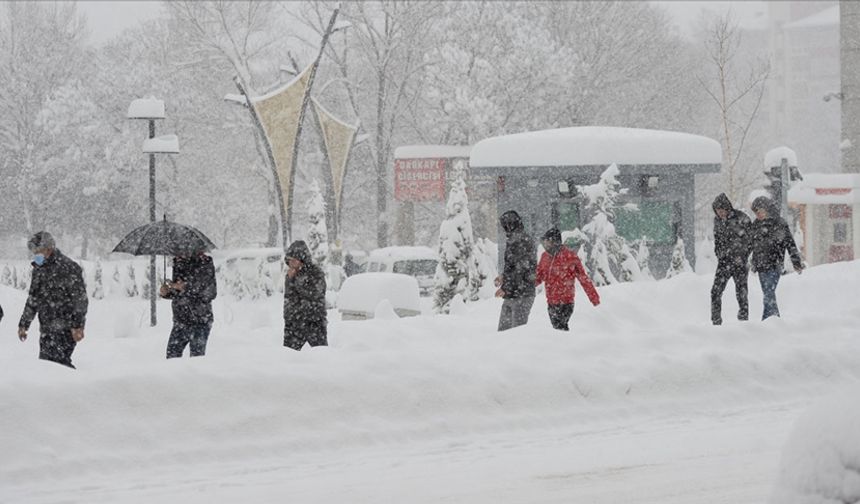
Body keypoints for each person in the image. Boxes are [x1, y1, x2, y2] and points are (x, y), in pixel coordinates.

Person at [17, 231, 88, 368]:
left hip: (66, 328)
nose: (36, 254)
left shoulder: (69, 268)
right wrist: (24, 324)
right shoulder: (39, 269)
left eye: (38, 251)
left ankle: (79, 388)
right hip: (46, 328)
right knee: (47, 366)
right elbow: (33, 298)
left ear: (49, 249)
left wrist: (77, 325)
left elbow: (80, 300)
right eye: (34, 251)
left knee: (59, 365)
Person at [749, 196, 804, 320]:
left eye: (760, 212)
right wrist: (752, 262)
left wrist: (796, 262)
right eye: (756, 213)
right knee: (768, 294)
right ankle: (773, 320)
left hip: (775, 264)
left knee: (768, 293)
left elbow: (790, 244)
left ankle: (769, 321)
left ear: (767, 209)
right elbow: (752, 246)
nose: (758, 215)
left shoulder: (780, 223)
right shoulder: (756, 225)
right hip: (761, 266)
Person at [535, 228, 600, 331]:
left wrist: (594, 298)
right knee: (557, 330)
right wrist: (525, 287)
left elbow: (583, 278)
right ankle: (567, 344)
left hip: (566, 302)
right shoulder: (545, 257)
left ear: (555, 242)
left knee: (560, 328)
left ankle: (566, 345)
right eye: (544, 242)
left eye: (548, 242)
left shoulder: (570, 257)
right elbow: (538, 277)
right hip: (551, 302)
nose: (545, 245)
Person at [159, 252, 217, 358]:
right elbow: (178, 292)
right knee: (172, 356)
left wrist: (185, 287)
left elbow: (210, 292)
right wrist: (167, 292)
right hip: (181, 320)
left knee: (196, 358)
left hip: (200, 319)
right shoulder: (178, 262)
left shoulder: (205, 262)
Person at [710, 193, 752, 325]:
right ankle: (716, 321)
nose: (720, 213)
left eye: (722, 210)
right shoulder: (717, 221)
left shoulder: (742, 218)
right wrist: (719, 254)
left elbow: (750, 241)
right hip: (724, 262)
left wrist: (742, 256)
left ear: (727, 208)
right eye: (717, 211)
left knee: (741, 291)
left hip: (739, 262)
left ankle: (743, 320)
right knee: (715, 291)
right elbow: (717, 240)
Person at [494, 210, 537, 331]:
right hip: (513, 294)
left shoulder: (520, 241)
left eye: (505, 225)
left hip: (522, 295)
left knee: (515, 335)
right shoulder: (514, 239)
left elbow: (520, 270)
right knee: (505, 333)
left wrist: (504, 288)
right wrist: (503, 277)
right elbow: (513, 267)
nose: (503, 229)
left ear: (510, 224)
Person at [283, 240, 327, 350]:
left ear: (301, 260)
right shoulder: (290, 275)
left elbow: (315, 293)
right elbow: (289, 296)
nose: (291, 263)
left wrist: (296, 281)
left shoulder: (315, 272)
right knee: (288, 355)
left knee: (320, 353)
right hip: (293, 322)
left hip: (313, 321)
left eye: (294, 260)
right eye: (289, 260)